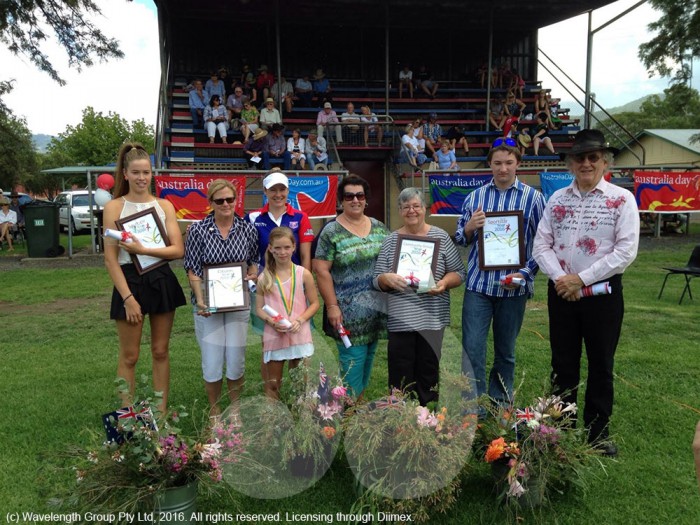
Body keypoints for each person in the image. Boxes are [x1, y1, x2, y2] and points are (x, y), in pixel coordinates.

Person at [533, 129, 640, 457]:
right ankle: (560, 429)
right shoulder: (557, 199)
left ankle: (596, 433)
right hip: (562, 294)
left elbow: (626, 251)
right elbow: (541, 244)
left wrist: (581, 278)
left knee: (601, 363)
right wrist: (562, 279)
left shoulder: (621, 199)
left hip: (603, 297)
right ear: (570, 164)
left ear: (605, 162)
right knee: (562, 363)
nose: (586, 163)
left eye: (593, 157)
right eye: (580, 158)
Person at [455, 141, 545, 408]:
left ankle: (501, 402)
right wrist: (470, 226)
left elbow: (543, 244)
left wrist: (526, 274)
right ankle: (473, 404)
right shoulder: (476, 197)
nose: (503, 168)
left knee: (506, 352)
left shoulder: (534, 198)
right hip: (479, 286)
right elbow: (461, 238)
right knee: (472, 349)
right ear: (490, 164)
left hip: (514, 288)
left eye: (508, 162)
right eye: (497, 163)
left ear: (518, 163)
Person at [103, 143, 186, 410]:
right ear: (125, 174)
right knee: (130, 355)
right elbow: (110, 259)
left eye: (146, 172)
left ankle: (159, 415)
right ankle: (127, 417)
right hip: (129, 280)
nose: (142, 178)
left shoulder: (164, 206)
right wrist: (127, 297)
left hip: (160, 277)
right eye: (136, 172)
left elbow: (177, 249)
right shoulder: (114, 208)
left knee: (160, 351)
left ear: (152, 174)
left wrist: (143, 249)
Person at [373, 188, 465, 406]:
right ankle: (399, 418)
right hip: (401, 320)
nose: (411, 211)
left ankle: (427, 417)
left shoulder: (440, 236)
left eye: (416, 206)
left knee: (428, 371)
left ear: (425, 209)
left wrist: (443, 283)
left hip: (431, 318)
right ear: (400, 211)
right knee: (399, 374)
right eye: (406, 207)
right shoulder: (391, 240)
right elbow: (376, 280)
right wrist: (386, 278)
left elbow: (459, 273)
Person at [184, 179, 259, 419]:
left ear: (236, 199)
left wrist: (253, 272)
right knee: (212, 358)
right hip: (209, 304)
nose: (226, 204)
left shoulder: (247, 229)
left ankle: (235, 408)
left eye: (230, 199)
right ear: (211, 203)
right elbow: (193, 269)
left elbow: (254, 259)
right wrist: (200, 300)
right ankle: (215, 410)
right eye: (220, 200)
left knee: (236, 358)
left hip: (238, 303)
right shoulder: (197, 230)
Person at [314, 174, 390, 399]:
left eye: (360, 195)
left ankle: (356, 408)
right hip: (347, 314)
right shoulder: (331, 232)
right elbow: (321, 270)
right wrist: (332, 306)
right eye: (349, 196)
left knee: (367, 362)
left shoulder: (379, 228)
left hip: (376, 311)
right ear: (341, 200)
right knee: (352, 366)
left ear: (366, 199)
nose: (355, 200)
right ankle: (347, 415)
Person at [256, 227, 319, 399]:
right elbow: (259, 308)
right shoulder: (265, 277)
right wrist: (271, 322)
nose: (282, 252)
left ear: (293, 247)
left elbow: (314, 303)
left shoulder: (303, 274)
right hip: (275, 335)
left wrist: (300, 320)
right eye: (277, 248)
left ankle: (300, 415)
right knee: (273, 384)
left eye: (286, 247)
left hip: (299, 332)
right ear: (270, 248)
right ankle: (273, 419)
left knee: (301, 382)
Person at [246, 171, 314, 272]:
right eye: (273, 190)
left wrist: (303, 282)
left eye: (282, 190)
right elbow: (248, 254)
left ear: (288, 190)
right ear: (265, 190)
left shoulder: (300, 217)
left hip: (293, 280)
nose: (278, 195)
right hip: (264, 281)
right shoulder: (252, 217)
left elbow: (305, 256)